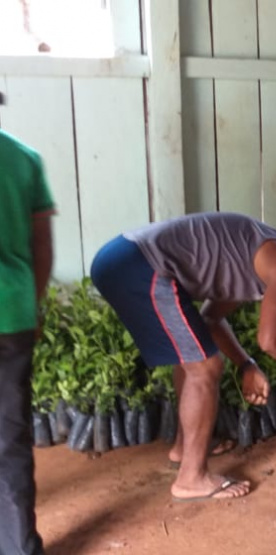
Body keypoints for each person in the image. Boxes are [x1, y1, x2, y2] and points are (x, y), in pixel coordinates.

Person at [90, 212, 276, 501]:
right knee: (206, 368)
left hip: (123, 258)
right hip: (137, 263)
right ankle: (191, 478)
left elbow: (210, 320)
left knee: (192, 357)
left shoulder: (260, 258)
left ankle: (184, 448)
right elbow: (272, 341)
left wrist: (246, 365)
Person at [0, 96, 55, 555]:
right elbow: (43, 249)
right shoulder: (23, 158)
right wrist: (30, 307)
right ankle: (20, 546)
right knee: (9, 436)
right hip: (11, 314)